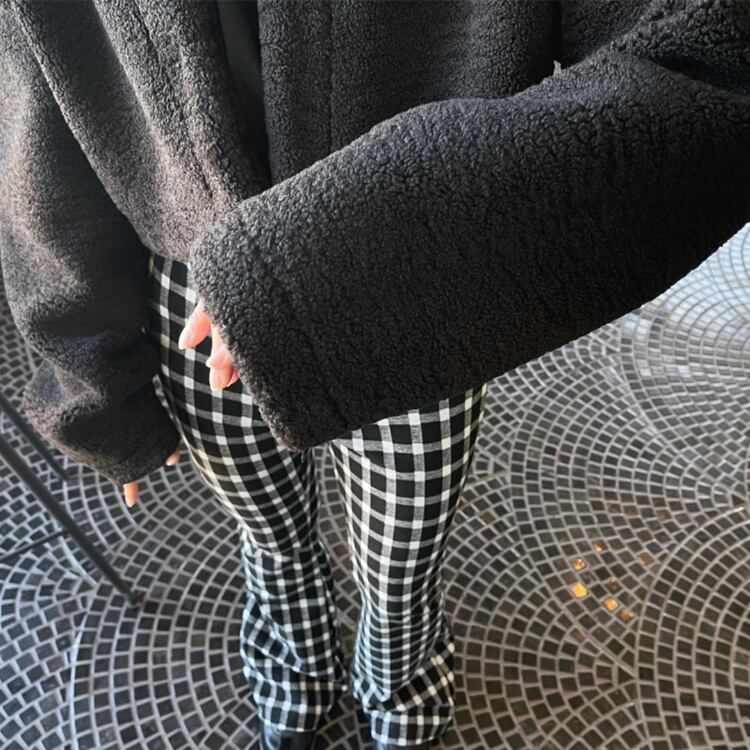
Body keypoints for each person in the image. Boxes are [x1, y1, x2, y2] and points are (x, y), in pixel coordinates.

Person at [1, 1, 749, 748]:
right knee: (270, 539)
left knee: (402, 564)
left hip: (414, 279)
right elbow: (37, 90)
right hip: (190, 279)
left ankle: (400, 675)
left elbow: (712, 62)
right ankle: (294, 654)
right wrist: (92, 381)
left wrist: (348, 249)